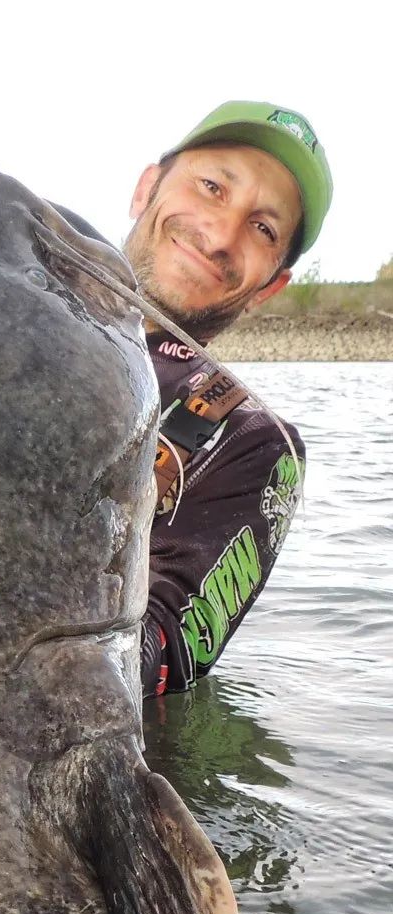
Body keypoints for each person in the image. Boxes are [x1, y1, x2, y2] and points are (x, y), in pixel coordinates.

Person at [121, 101, 333, 697]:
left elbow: (161, 655)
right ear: (146, 188)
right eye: (212, 186)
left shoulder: (256, 443)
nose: (219, 235)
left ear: (272, 285)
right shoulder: (1, 309)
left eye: (263, 229)